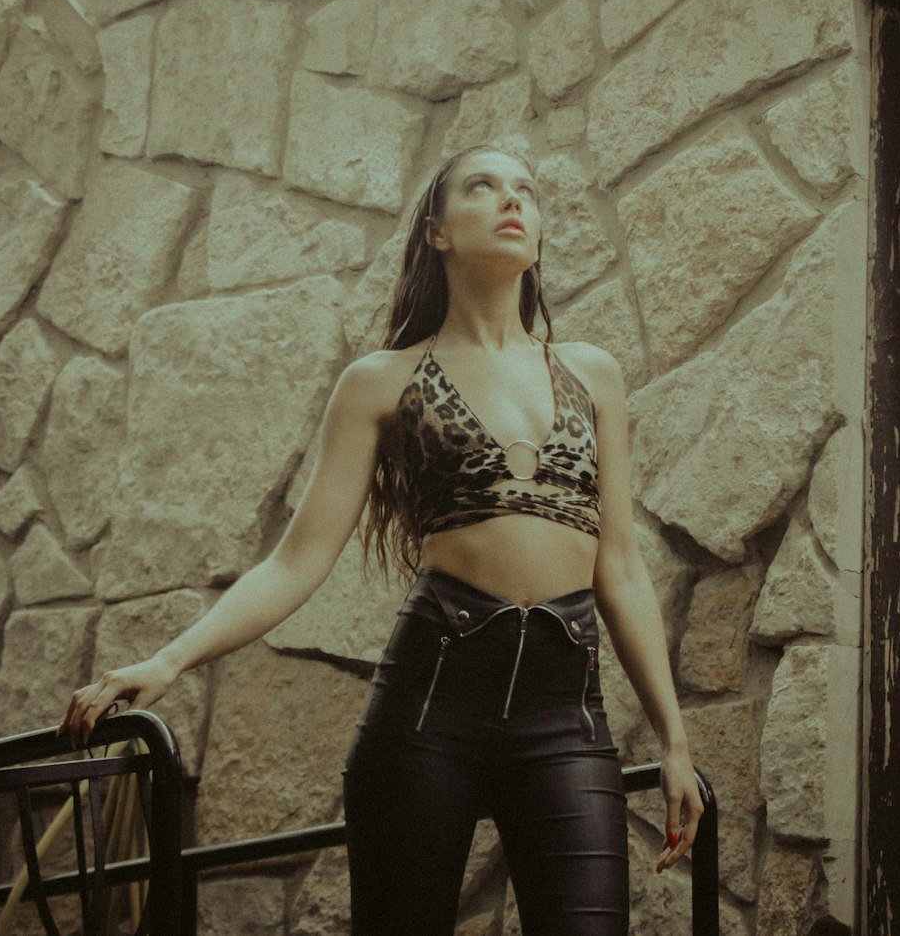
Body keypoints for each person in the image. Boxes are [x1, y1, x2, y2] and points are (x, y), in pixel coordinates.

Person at [61, 144, 704, 935]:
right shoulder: (382, 381)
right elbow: (296, 561)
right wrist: (170, 659)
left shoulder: (592, 372)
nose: (513, 201)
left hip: (564, 718)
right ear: (436, 230)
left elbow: (623, 569)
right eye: (484, 187)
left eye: (526, 192)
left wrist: (674, 740)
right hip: (428, 714)